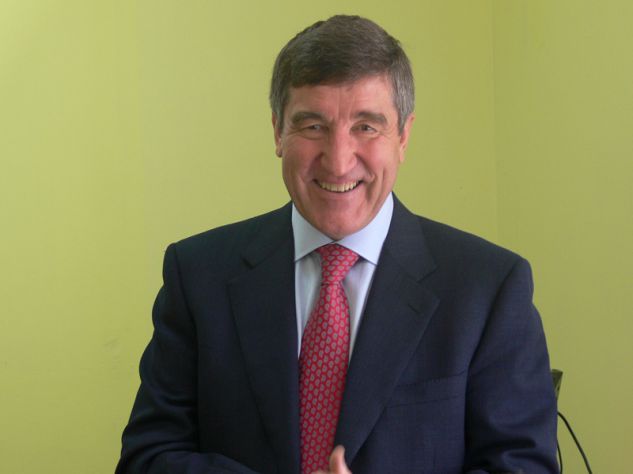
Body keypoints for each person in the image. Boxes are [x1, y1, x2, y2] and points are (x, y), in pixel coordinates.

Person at [116, 15, 558, 474]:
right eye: (312, 126)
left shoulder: (487, 288)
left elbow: (523, 467)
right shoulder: (197, 275)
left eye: (366, 127)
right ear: (278, 132)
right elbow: (147, 458)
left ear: (403, 136)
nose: (339, 161)